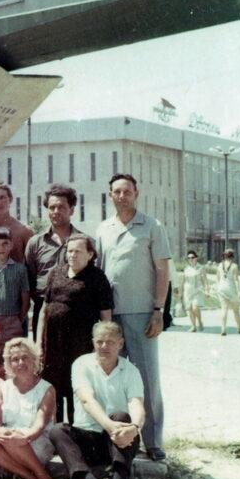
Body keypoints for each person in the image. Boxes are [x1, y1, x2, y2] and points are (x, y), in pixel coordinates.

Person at [94, 173, 170, 461]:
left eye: (127, 191)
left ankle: (152, 441)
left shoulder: (152, 226)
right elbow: (99, 273)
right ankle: (120, 439)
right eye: (117, 192)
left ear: (136, 193)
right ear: (110, 195)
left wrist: (158, 310)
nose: (122, 196)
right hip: (110, 314)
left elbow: (162, 271)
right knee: (113, 377)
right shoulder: (103, 229)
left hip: (142, 312)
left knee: (147, 377)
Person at [49, 320, 144, 479]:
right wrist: (110, 426)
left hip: (117, 442)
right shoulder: (81, 364)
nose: (104, 346)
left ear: (120, 344)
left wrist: (135, 428)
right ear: (93, 342)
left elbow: (136, 403)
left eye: (110, 342)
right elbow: (87, 400)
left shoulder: (130, 370)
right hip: (89, 438)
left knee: (122, 417)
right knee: (57, 430)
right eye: (99, 341)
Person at [37, 234, 114, 424]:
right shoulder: (56, 273)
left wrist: (101, 346)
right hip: (54, 343)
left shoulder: (97, 277)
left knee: (77, 389)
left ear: (90, 254)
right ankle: (55, 432)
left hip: (80, 345)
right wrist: (39, 343)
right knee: (53, 389)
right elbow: (44, 310)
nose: (72, 255)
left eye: (78, 251)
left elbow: (106, 316)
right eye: (69, 251)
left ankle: (76, 432)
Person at [0, 337, 57, 479]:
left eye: (25, 357)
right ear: (9, 363)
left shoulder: (47, 389)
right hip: (10, 440)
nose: (20, 363)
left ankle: (44, 478)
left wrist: (23, 437)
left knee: (12, 438)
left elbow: (39, 426)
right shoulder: (3, 388)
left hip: (36, 441)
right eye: (15, 359)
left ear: (34, 359)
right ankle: (31, 477)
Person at [25, 184, 82, 339]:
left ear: (71, 210)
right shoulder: (35, 243)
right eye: (52, 207)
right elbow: (30, 277)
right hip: (44, 308)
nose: (56, 211)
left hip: (75, 308)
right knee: (42, 351)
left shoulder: (84, 242)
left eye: (61, 207)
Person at [215, 248, 240, 336]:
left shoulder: (220, 265)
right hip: (231, 288)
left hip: (222, 288)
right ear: (232, 256)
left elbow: (217, 278)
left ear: (224, 256)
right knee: (236, 310)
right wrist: (239, 291)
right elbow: (236, 280)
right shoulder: (234, 266)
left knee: (224, 309)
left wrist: (217, 287)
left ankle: (223, 329)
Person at [180, 250, 209, 332]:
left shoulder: (201, 268)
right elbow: (183, 281)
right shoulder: (186, 268)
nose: (190, 259)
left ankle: (199, 322)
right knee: (189, 308)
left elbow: (205, 281)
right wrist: (181, 292)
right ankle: (193, 326)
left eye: (192, 257)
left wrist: (207, 291)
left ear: (196, 258)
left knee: (195, 307)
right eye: (189, 258)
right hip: (188, 291)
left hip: (197, 290)